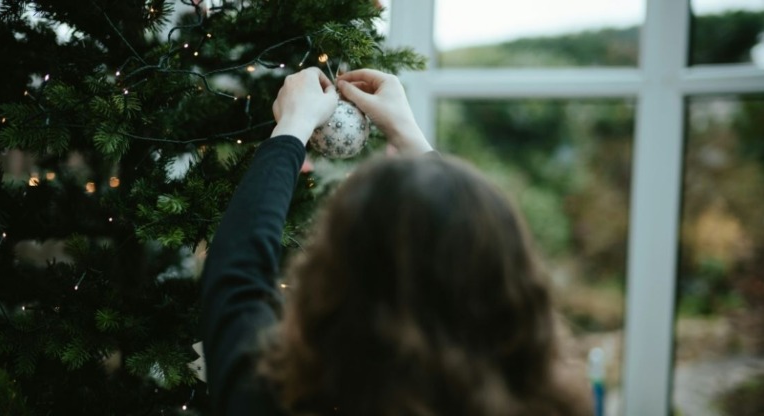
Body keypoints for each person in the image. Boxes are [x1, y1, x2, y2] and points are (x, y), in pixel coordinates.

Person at [199, 67, 591, 415]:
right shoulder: (543, 402)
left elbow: (237, 275)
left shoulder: (271, 398)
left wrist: (292, 128)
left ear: (332, 281)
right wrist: (408, 135)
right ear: (507, 282)